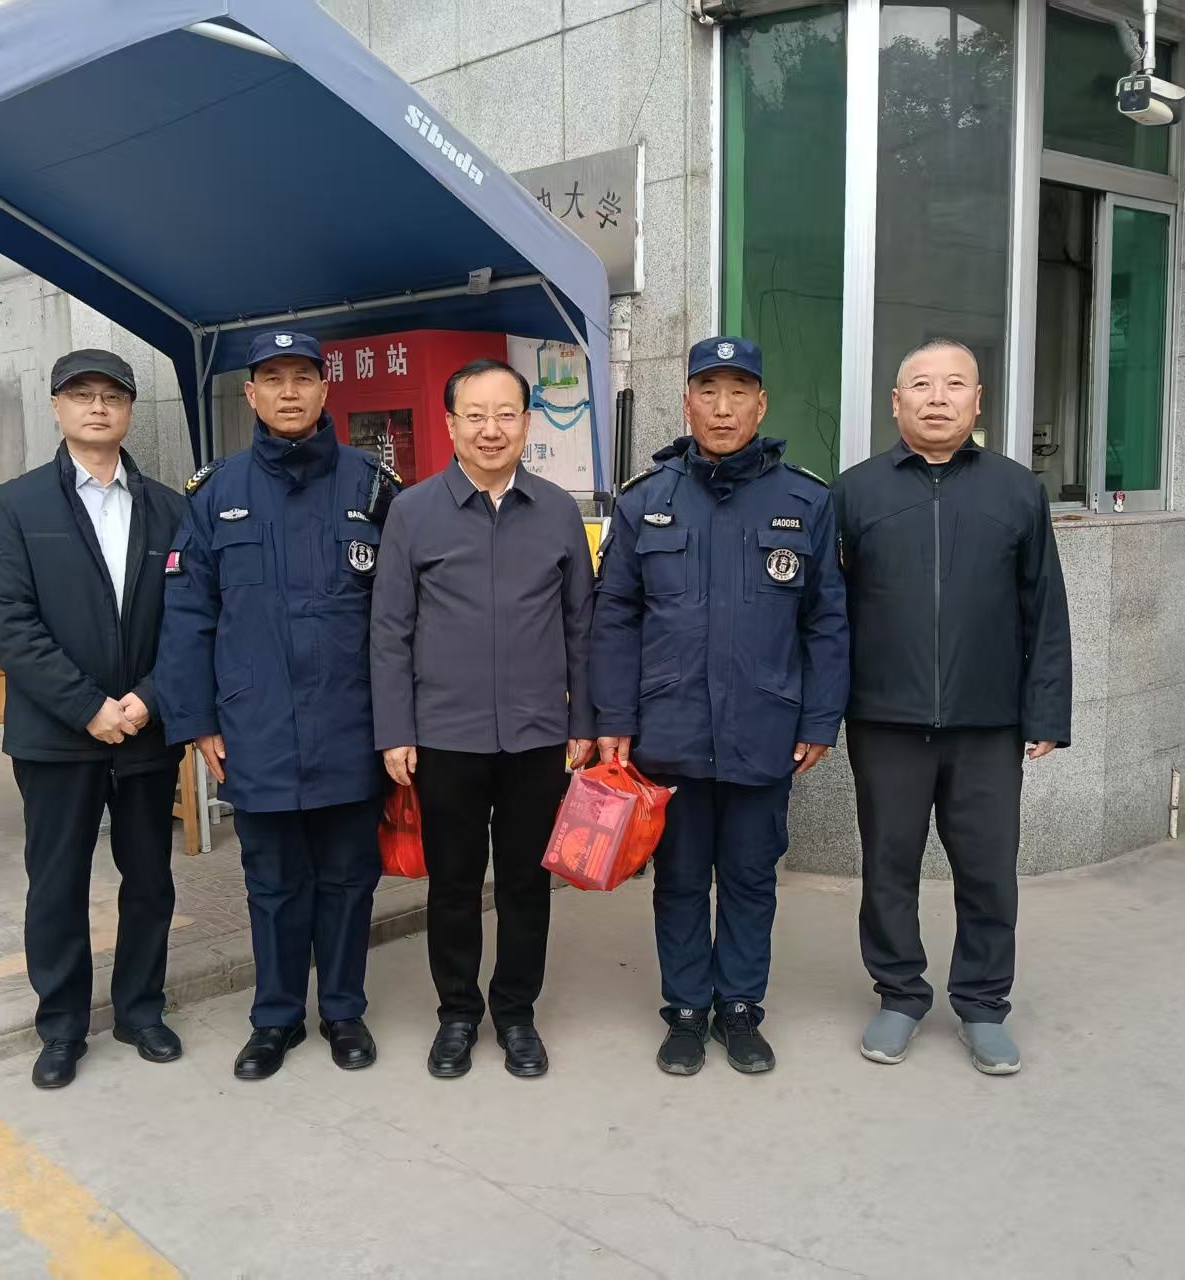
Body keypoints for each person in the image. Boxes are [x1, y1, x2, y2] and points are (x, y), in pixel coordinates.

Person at [592, 336, 849, 1076]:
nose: (724, 407)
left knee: (749, 877)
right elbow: (615, 618)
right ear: (687, 403)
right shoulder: (646, 501)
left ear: (761, 404)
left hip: (764, 729)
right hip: (668, 730)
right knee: (678, 881)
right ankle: (684, 1010)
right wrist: (614, 720)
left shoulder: (806, 501)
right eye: (709, 391)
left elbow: (828, 620)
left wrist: (819, 719)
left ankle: (739, 1008)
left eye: (739, 392)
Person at [156, 331, 398, 1081]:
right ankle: (276, 1018)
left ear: (326, 389)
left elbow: (405, 616)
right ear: (251, 394)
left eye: (302, 378)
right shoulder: (217, 493)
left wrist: (401, 723)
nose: (289, 392)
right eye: (273, 379)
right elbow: (188, 614)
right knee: (272, 881)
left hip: (352, 724)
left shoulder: (373, 487)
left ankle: (344, 1011)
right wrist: (198, 721)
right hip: (255, 727)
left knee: (349, 879)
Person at [833, 338, 1071, 1076]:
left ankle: (982, 1004)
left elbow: (1045, 610)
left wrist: (1045, 713)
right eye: (921, 385)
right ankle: (900, 994)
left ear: (978, 400)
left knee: (989, 871)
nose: (938, 398)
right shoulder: (855, 493)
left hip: (988, 722)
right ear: (895, 402)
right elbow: (828, 614)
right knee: (889, 867)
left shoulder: (1016, 491)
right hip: (886, 720)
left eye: (954, 385)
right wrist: (822, 712)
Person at [371, 358, 595, 1080]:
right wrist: (395, 730)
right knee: (455, 884)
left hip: (538, 737)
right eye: (475, 415)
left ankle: (517, 1013)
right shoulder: (412, 513)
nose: (491, 429)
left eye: (505, 414)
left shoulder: (557, 511)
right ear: (450, 424)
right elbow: (390, 630)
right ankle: (458, 1014)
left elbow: (581, 626)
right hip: (446, 737)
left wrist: (584, 722)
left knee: (527, 883)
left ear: (527, 423)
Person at [0, 349, 188, 1090]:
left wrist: (150, 699)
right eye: (81, 395)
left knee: (150, 879)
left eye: (112, 396)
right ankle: (62, 1027)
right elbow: (10, 622)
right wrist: (87, 707)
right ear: (57, 407)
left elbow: (190, 621)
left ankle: (140, 1010)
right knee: (58, 884)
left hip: (145, 731)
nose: (97, 407)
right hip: (56, 737)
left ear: (128, 410)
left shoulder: (169, 508)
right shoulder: (18, 504)